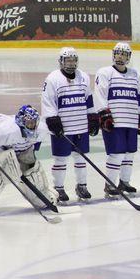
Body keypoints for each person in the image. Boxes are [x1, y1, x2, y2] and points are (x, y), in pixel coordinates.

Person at [0, 105, 54, 214]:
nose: (32, 125)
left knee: (31, 169)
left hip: (15, 147)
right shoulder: (7, 132)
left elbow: (34, 144)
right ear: (21, 122)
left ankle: (41, 197)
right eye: (28, 123)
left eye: (34, 122)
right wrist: (6, 160)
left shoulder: (41, 129)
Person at [41, 46, 97, 202]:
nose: (71, 63)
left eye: (73, 60)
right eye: (67, 60)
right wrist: (52, 119)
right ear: (61, 61)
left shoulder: (83, 77)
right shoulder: (52, 78)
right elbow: (48, 101)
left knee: (81, 158)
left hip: (80, 125)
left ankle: (82, 186)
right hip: (63, 127)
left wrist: (92, 116)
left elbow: (88, 99)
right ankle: (58, 188)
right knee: (60, 159)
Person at [93, 43, 140, 196]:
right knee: (116, 154)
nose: (120, 57)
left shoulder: (134, 74)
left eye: (124, 54)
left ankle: (124, 181)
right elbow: (99, 95)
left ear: (129, 57)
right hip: (114, 121)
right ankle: (110, 184)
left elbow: (139, 97)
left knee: (129, 153)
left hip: (131, 120)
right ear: (113, 55)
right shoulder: (104, 72)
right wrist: (104, 115)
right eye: (118, 53)